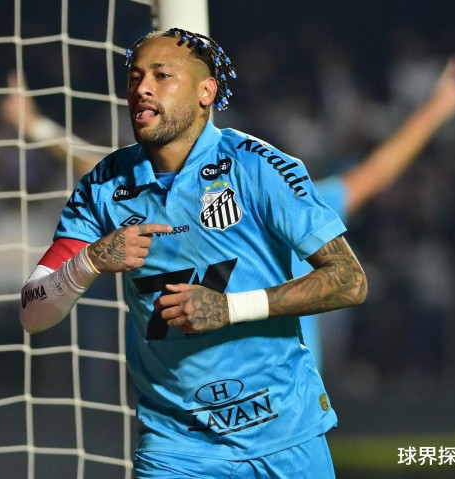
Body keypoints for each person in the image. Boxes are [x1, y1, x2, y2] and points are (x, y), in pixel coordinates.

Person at [19, 28, 367, 478]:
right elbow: (33, 313)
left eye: (161, 75)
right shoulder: (102, 187)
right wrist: (88, 262)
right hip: (176, 447)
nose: (142, 88)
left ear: (206, 92)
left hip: (284, 431)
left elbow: (349, 280)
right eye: (135, 77)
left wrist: (229, 308)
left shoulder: (258, 165)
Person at [297, 57, 455, 370]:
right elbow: (378, 171)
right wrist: (437, 108)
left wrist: (436, 109)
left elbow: (377, 171)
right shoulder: (297, 207)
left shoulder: (299, 207)